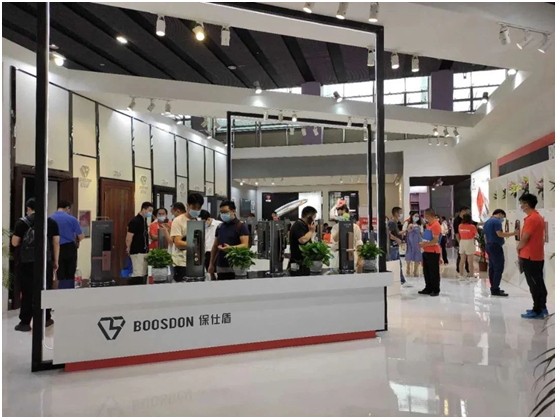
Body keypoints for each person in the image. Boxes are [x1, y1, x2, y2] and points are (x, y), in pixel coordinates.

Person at [12, 198, 59, 331]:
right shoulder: (51, 223)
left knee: (27, 291)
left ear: (28, 209)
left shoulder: (21, 223)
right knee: (45, 289)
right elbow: (56, 243)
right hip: (45, 262)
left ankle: (25, 322)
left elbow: (15, 242)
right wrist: (55, 261)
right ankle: (46, 318)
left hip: (26, 263)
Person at [517, 194, 547, 319]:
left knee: (534, 284)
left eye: (521, 204)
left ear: (526, 205)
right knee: (539, 282)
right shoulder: (537, 217)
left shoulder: (531, 219)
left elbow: (525, 237)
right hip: (537, 255)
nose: (521, 206)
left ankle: (537, 310)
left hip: (530, 255)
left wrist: (518, 247)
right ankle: (542, 307)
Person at [208, 200, 250, 280]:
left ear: (233, 211)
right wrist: (211, 264)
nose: (223, 214)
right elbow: (215, 247)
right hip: (221, 266)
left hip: (236, 267)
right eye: (221, 212)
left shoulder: (240, 226)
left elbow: (245, 245)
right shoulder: (220, 227)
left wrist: (230, 248)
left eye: (225, 212)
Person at [50, 200, 84, 289]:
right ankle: (69, 291)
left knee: (59, 272)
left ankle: (60, 290)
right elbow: (81, 236)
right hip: (69, 248)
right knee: (70, 272)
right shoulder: (72, 219)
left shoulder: (50, 219)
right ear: (67, 208)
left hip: (56, 248)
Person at [483, 209, 517, 297]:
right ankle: (495, 288)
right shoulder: (496, 222)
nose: (502, 219)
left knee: (492, 267)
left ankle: (493, 287)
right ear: (500, 214)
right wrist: (514, 233)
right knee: (499, 267)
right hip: (495, 246)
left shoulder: (487, 222)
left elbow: (485, 236)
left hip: (489, 245)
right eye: (503, 217)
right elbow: (500, 234)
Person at [170, 194, 204, 282]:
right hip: (182, 263)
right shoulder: (178, 221)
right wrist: (195, 245)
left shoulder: (198, 221)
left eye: (198, 208)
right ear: (187, 205)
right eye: (194, 207)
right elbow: (178, 243)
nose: (196, 210)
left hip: (196, 263)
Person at [125, 201, 153, 286]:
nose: (150, 213)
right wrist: (128, 247)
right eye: (149, 210)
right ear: (144, 209)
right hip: (137, 251)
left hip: (144, 251)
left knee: (143, 273)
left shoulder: (144, 221)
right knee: (138, 273)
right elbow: (129, 236)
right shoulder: (135, 221)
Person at [331, 205, 363, 270]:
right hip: (338, 256)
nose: (341, 216)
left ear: (347, 214)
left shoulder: (355, 227)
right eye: (339, 215)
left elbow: (359, 244)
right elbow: (335, 240)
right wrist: (341, 226)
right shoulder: (335, 227)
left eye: (343, 214)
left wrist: (360, 259)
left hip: (351, 254)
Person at [288, 206, 318, 276]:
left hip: (303, 262)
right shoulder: (298, 225)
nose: (314, 220)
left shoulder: (304, 225)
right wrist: (311, 231)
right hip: (297, 263)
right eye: (314, 217)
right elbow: (302, 240)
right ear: (309, 216)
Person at [418, 208, 441, 296]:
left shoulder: (436, 225)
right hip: (426, 251)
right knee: (426, 271)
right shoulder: (428, 225)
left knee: (433, 271)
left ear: (428, 215)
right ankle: (428, 288)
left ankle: (435, 289)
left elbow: (435, 240)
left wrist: (424, 245)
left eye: (425, 215)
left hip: (433, 252)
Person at [388, 206, 406, 285]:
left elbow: (397, 233)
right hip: (392, 246)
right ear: (396, 213)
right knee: (394, 264)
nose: (401, 214)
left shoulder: (395, 223)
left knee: (398, 264)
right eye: (400, 212)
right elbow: (389, 234)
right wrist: (397, 239)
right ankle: (396, 280)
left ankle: (401, 279)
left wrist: (406, 230)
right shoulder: (392, 223)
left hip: (395, 246)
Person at [453, 206, 474, 274]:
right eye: (466, 211)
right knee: (462, 257)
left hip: (464, 242)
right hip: (461, 241)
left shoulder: (467, 221)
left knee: (465, 257)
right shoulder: (457, 221)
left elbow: (475, 223)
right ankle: (460, 270)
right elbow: (456, 233)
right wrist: (459, 242)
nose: (467, 213)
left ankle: (467, 270)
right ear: (462, 211)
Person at [457, 214, 478, 280]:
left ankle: (461, 275)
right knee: (470, 261)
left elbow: (459, 233)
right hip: (469, 242)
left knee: (462, 260)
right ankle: (471, 276)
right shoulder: (472, 226)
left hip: (462, 242)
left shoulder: (460, 225)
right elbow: (476, 235)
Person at [405, 213, 422, 277]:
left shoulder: (420, 225)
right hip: (410, 241)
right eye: (415, 216)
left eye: (417, 216)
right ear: (412, 217)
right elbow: (407, 232)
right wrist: (410, 228)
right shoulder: (409, 224)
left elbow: (421, 233)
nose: (416, 217)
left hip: (417, 241)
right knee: (409, 254)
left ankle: (415, 270)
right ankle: (408, 268)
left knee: (417, 255)